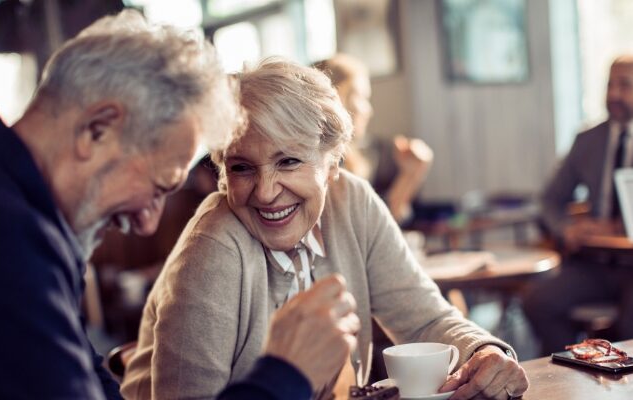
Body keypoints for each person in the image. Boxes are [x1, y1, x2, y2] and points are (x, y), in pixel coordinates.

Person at [0, 11, 358, 400]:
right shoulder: (0, 242)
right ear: (98, 130)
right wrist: (286, 373)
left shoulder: (7, 199)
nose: (148, 223)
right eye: (157, 187)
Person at [122, 58, 529, 400]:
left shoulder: (353, 201)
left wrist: (484, 350)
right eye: (242, 167)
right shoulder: (213, 247)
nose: (265, 193)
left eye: (288, 162)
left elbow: (422, 318)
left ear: (333, 164)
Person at [523, 55, 633, 355]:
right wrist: (566, 228)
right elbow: (549, 201)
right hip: (593, 263)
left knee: (629, 326)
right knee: (538, 301)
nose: (614, 94)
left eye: (625, 85)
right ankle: (576, 370)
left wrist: (618, 227)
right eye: (610, 84)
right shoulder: (588, 140)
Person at [315, 53, 433, 224]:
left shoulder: (353, 160)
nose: (368, 110)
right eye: (361, 97)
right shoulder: (325, 166)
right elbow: (367, 231)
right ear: (336, 99)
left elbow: (378, 229)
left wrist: (410, 174)